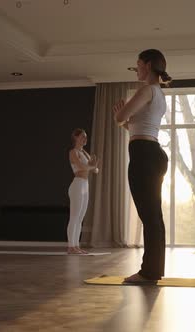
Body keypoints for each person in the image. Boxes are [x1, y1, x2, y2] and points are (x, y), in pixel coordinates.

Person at [113, 49, 171, 283]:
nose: (136, 68)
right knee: (153, 215)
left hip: (144, 155)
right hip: (151, 152)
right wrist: (125, 121)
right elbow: (137, 127)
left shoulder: (147, 89)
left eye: (138, 64)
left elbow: (120, 118)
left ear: (147, 65)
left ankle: (149, 273)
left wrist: (120, 116)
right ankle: (153, 271)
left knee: (150, 216)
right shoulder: (158, 93)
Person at [67, 128, 99, 254]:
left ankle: (76, 246)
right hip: (77, 185)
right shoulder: (73, 152)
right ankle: (71, 246)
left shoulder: (85, 153)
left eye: (86, 137)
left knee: (80, 218)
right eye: (82, 137)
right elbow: (80, 167)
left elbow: (96, 171)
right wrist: (92, 166)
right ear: (76, 138)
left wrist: (93, 166)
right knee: (74, 217)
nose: (85, 139)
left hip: (85, 185)